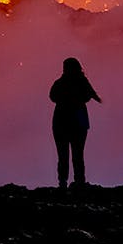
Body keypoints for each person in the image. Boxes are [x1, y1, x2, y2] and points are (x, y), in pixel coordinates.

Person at [49, 57, 102, 189]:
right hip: (77, 122)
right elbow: (92, 96)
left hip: (62, 123)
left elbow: (52, 96)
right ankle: (78, 182)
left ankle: (64, 182)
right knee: (77, 154)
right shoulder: (82, 82)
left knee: (64, 155)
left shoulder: (60, 83)